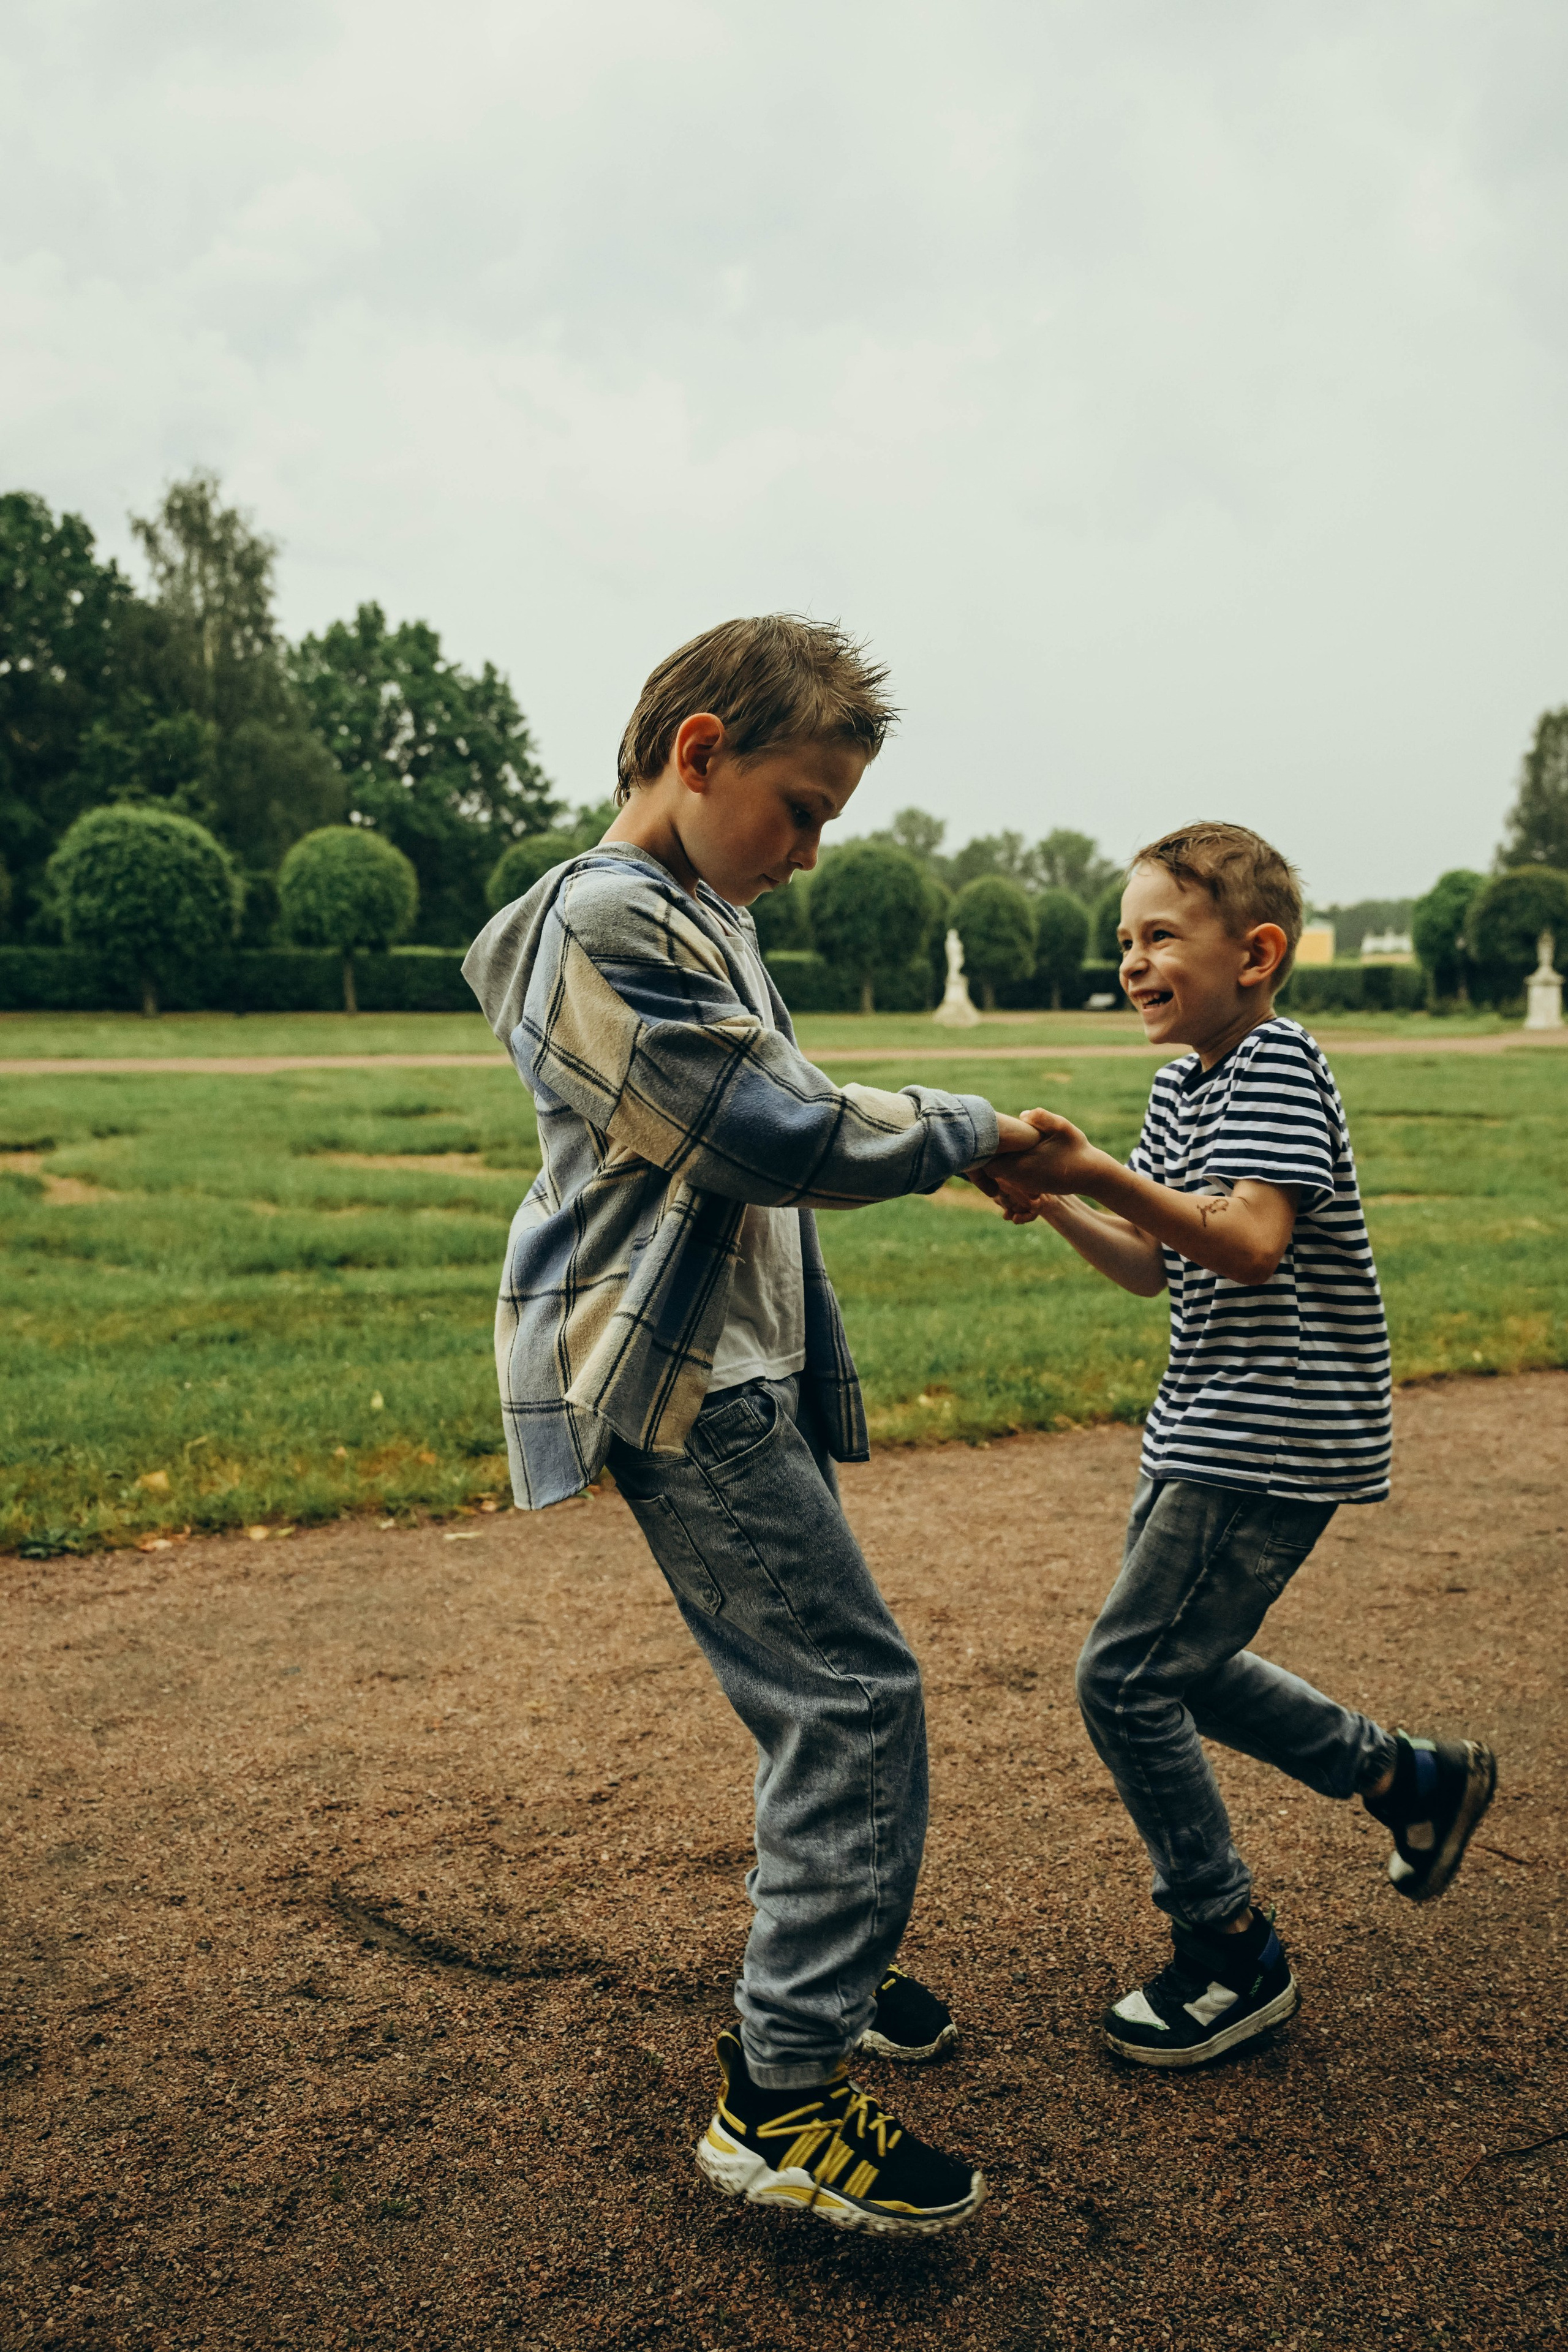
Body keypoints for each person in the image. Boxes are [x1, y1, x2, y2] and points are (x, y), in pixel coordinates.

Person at [462, 615, 1051, 2230]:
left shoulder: (695, 907)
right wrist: (969, 1128)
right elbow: (765, 1126)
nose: (806, 852)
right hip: (679, 1379)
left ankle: (830, 1969)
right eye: (800, 808)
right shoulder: (602, 920)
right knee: (853, 1703)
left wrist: (959, 1146)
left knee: (820, 1690)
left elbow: (783, 1107)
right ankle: (778, 2100)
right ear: (701, 752)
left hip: (741, 1363)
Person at [985, 823, 1496, 2069]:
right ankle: (1405, 1780)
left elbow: (1251, 1242)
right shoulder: (1184, 1083)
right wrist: (1055, 1199)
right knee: (1182, 1667)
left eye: (1159, 935)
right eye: (1123, 941)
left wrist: (1098, 1168)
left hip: (1268, 1429)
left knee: (1123, 1678)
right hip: (1203, 1419)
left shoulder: (1271, 1062)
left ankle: (1228, 1949)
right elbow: (1154, 1267)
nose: (1131, 961)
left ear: (1255, 953)